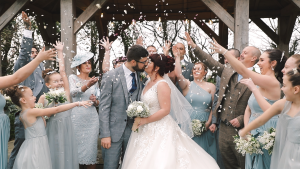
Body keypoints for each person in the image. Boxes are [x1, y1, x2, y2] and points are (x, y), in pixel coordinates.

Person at [121, 54, 220, 169]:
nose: (145, 64)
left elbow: (165, 110)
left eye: (149, 62)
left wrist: (145, 120)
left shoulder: (162, 84)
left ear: (156, 67)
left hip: (159, 127)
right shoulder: (147, 82)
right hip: (145, 127)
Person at [184, 32, 259, 169]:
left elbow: (258, 106)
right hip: (223, 128)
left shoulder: (258, 78)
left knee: (243, 164)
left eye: (245, 53)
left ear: (254, 58)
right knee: (226, 165)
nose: (241, 54)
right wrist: (194, 47)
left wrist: (242, 119)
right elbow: (210, 62)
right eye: (241, 52)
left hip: (241, 129)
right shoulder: (228, 71)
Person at [211, 38, 287, 169]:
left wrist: (224, 51)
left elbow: (244, 71)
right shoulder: (258, 84)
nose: (258, 63)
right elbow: (248, 109)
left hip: (266, 131)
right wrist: (247, 130)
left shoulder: (271, 82)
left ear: (273, 63)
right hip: (252, 132)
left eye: (262, 60)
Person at [5, 85, 91, 169]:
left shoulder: (22, 113)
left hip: (35, 143)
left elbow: (43, 124)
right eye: (31, 95)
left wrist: (44, 114)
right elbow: (57, 110)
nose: (35, 97)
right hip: (36, 146)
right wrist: (77, 103)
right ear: (23, 100)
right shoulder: (31, 112)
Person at [7, 12, 52, 169]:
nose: (33, 55)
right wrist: (28, 28)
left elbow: (43, 90)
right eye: (31, 53)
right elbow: (25, 53)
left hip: (39, 118)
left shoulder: (40, 68)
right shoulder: (21, 66)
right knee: (19, 151)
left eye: (35, 53)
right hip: (25, 119)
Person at [239, 67, 300, 169]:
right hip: (288, 152)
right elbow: (261, 119)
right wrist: (245, 130)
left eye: (284, 86)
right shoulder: (283, 104)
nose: (282, 88)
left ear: (296, 89)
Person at [99, 45, 149, 169]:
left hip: (132, 131)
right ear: (133, 62)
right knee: (110, 166)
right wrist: (105, 134)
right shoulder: (110, 76)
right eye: (144, 62)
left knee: (130, 165)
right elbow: (104, 107)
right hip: (112, 132)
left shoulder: (140, 76)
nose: (146, 65)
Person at [37, 41, 79, 169]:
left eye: (60, 80)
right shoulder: (43, 98)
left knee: (67, 154)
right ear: (48, 85)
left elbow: (63, 71)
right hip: (52, 130)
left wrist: (60, 52)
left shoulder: (66, 94)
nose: (60, 83)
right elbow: (38, 116)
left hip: (67, 129)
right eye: (56, 82)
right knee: (53, 154)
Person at [173, 45, 220, 160]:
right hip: (187, 120)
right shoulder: (187, 85)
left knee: (204, 153)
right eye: (194, 68)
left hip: (204, 121)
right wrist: (177, 58)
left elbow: (214, 106)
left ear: (205, 72)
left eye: (199, 68)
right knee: (187, 152)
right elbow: (178, 74)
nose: (196, 70)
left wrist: (209, 122)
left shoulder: (211, 86)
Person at [69, 52, 100, 169]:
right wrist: (87, 85)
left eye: (89, 63)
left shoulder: (94, 80)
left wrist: (95, 100)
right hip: (77, 117)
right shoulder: (72, 77)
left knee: (90, 152)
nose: (88, 65)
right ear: (78, 67)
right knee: (75, 151)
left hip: (91, 119)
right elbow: (73, 93)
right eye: (84, 63)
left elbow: (98, 102)